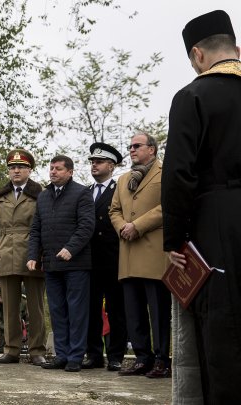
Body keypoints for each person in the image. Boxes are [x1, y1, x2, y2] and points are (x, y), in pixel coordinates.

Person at [163, 10, 241, 402]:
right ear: (237, 50)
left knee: (221, 326)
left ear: (197, 55)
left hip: (216, 224)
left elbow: (178, 174)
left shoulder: (192, 96)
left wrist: (176, 240)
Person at [109, 133, 170, 378]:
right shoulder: (123, 179)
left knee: (158, 311)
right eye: (130, 146)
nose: (131, 150)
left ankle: (162, 360)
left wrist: (138, 225)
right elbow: (113, 209)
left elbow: (168, 205)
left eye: (137, 146)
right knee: (133, 312)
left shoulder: (165, 173)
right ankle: (142, 359)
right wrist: (122, 225)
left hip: (153, 253)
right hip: (128, 253)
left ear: (152, 150)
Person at [27, 155, 94, 372]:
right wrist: (32, 256)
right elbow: (36, 229)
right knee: (57, 311)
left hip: (75, 264)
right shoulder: (44, 197)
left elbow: (86, 226)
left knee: (76, 311)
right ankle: (61, 355)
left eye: (58, 169)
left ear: (70, 172)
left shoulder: (82, 193)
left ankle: (75, 356)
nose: (53, 172)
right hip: (51, 265)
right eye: (51, 168)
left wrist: (70, 249)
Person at [0, 148, 47, 366]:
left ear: (29, 170)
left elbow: (46, 227)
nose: (16, 171)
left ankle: (37, 349)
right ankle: (11, 349)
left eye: (21, 167)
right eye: (12, 167)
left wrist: (43, 254)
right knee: (9, 306)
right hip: (6, 253)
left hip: (32, 253)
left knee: (35, 307)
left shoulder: (41, 195)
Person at [83, 143, 128, 371]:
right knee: (91, 309)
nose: (94, 165)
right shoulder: (85, 192)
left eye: (99, 162)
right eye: (92, 162)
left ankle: (116, 354)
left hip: (113, 258)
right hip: (89, 259)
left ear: (111, 165)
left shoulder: (120, 189)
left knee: (116, 308)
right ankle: (93, 353)